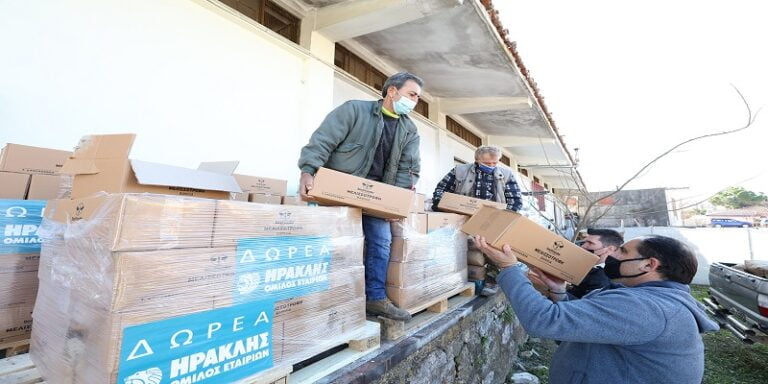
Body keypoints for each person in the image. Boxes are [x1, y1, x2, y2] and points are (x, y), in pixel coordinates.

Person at [473, 234, 719, 384]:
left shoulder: (647, 307)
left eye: (623, 251)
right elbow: (580, 329)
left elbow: (543, 321)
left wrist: (508, 268)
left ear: (648, 265)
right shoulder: (652, 300)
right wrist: (558, 292)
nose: (613, 255)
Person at [297, 72, 423, 321]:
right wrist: (308, 170)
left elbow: (409, 170)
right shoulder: (354, 110)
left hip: (377, 197)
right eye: (412, 94)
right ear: (392, 91)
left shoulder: (409, 129)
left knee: (380, 243)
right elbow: (323, 140)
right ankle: (320, 298)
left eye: (418, 97)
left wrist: (393, 205)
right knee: (332, 245)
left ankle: (375, 299)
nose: (415, 101)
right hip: (340, 190)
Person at [431, 145, 522, 212]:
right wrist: (442, 206)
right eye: (487, 163)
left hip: (492, 218)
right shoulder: (460, 170)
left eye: (495, 163)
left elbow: (515, 199)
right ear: (477, 159)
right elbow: (442, 189)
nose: (491, 166)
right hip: (461, 215)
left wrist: (508, 215)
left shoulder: (506, 175)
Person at [567, 228, 624, 298]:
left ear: (610, 249)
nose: (583, 246)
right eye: (584, 242)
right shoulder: (588, 267)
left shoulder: (603, 278)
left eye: (590, 243)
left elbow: (583, 306)